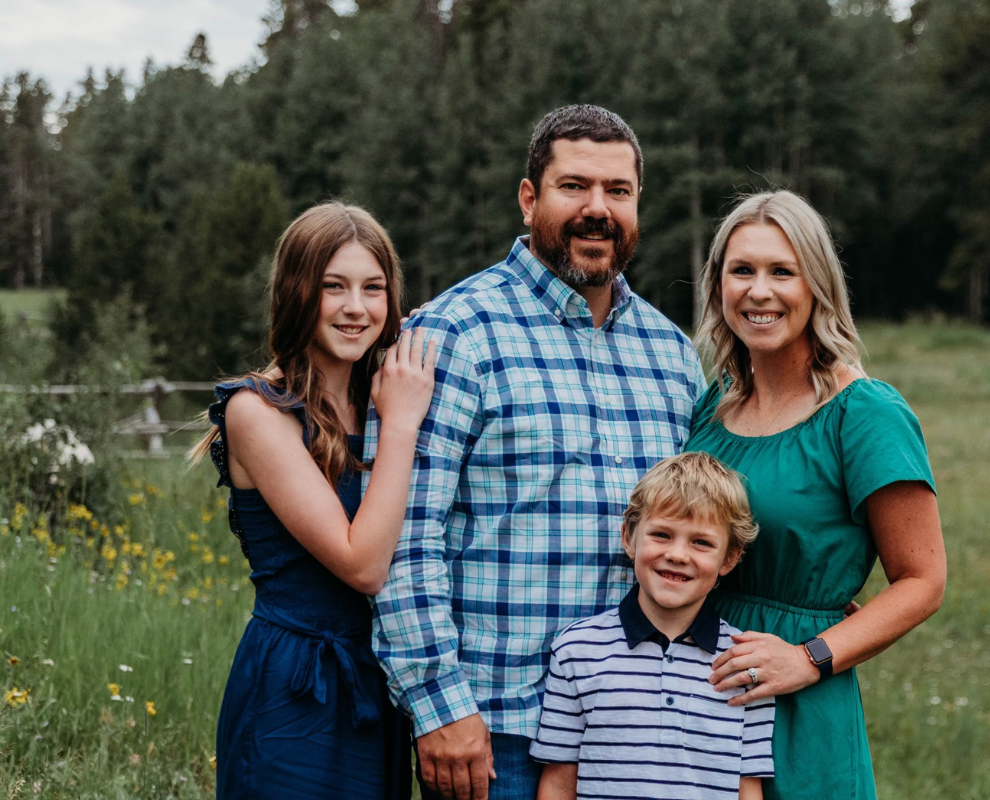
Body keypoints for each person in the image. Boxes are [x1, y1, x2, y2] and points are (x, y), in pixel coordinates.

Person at [366, 105, 707, 800]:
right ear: (529, 200)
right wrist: (441, 706)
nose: (597, 210)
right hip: (497, 733)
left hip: (639, 731)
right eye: (573, 187)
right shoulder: (453, 334)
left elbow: (705, 526)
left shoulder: (672, 356)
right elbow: (402, 536)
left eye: (618, 191)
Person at [685, 191, 946, 800]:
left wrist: (807, 658)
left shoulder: (864, 412)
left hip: (795, 698)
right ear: (718, 284)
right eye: (741, 270)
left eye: (783, 271)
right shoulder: (713, 404)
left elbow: (923, 580)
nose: (759, 291)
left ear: (818, 285)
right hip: (696, 688)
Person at [192, 202, 437, 799]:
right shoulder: (258, 411)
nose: (357, 307)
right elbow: (362, 564)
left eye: (373, 288)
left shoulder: (379, 400)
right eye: (335, 287)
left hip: (377, 685)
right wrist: (402, 424)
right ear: (297, 292)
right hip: (294, 687)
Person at [530, 452, 775, 800]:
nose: (677, 554)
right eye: (661, 534)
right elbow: (557, 782)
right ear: (629, 538)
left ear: (730, 557)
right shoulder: (577, 650)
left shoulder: (745, 664)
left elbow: (748, 789)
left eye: (701, 542)